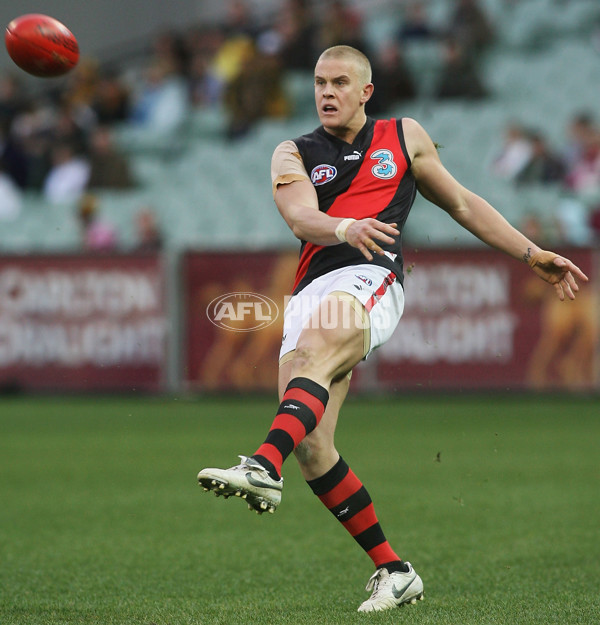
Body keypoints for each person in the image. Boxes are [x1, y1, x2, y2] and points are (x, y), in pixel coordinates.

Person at [197, 45, 588, 613]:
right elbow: (300, 216)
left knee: (309, 375)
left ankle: (261, 463)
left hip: (370, 276)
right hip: (310, 289)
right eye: (318, 82)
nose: (326, 92)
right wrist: (344, 224)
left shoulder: (404, 136)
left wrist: (532, 255)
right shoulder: (294, 150)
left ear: (365, 92)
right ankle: (394, 570)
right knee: (311, 443)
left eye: (338, 82)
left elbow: (460, 202)